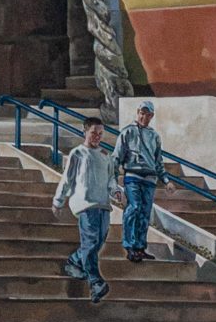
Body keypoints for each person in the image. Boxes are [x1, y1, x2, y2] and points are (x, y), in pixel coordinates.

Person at [51, 115, 112, 303]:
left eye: (100, 134)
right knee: (91, 241)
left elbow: (111, 179)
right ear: (85, 132)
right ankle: (95, 282)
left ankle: (74, 261)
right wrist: (58, 200)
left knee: (97, 242)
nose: (97, 137)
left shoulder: (105, 155)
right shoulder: (77, 153)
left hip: (103, 205)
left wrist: (116, 191)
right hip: (85, 205)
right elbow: (67, 180)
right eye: (94, 133)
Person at [113, 100, 167, 263]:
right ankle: (129, 245)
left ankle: (140, 247)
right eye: (141, 113)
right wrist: (113, 181)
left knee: (145, 213)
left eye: (147, 114)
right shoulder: (127, 132)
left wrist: (165, 179)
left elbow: (158, 161)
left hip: (150, 178)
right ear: (138, 113)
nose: (144, 116)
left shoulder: (154, 136)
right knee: (134, 207)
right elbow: (116, 157)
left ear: (151, 116)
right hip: (133, 176)